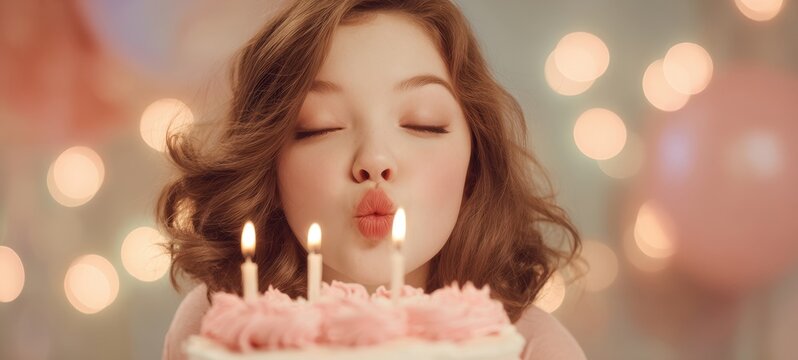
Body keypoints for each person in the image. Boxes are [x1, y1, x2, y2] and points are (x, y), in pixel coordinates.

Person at [159, 0, 585, 359]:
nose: (375, 161)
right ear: (269, 163)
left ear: (475, 162)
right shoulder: (219, 324)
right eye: (320, 126)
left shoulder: (528, 347)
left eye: (423, 123)